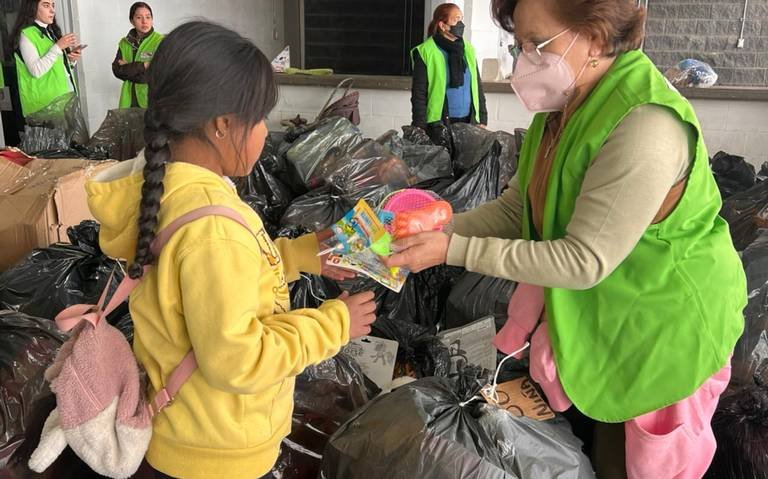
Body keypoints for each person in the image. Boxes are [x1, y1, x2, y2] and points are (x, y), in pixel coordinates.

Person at [385, 0, 747, 477]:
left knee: (628, 457)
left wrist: (452, 250)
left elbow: (583, 260)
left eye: (538, 44)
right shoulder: (563, 109)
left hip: (662, 321)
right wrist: (438, 228)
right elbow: (519, 208)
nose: (525, 60)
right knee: (585, 440)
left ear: (594, 37)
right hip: (606, 310)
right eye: (520, 45)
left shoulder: (646, 125)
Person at [86, 21, 375, 479]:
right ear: (222, 124)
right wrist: (335, 324)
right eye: (258, 119)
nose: (264, 131)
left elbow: (211, 287)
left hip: (187, 432)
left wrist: (298, 256)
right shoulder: (213, 227)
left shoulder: (171, 189)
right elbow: (238, 359)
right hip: (215, 455)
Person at [410, 3, 488, 134]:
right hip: (439, 123)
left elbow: (477, 85)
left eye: (461, 19)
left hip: (469, 120)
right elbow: (419, 94)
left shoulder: (467, 49)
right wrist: (419, 126)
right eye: (456, 19)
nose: (461, 24)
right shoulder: (426, 51)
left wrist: (482, 117)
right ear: (442, 25)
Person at [11, 0, 80, 118]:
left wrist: (70, 60)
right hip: (45, 108)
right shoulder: (26, 34)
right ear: (33, 8)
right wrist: (58, 47)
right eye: (46, 5)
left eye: (53, 5)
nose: (52, 10)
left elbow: (55, 69)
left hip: (64, 102)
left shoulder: (51, 32)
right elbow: (36, 71)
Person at [112, 2, 163, 108]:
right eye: (139, 17)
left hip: (150, 100)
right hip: (128, 100)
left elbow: (154, 74)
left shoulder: (160, 41)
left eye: (148, 17)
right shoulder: (124, 43)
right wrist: (144, 65)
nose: (144, 21)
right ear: (132, 20)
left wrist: (127, 68)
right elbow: (117, 71)